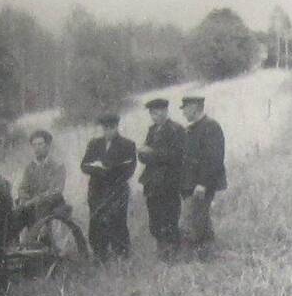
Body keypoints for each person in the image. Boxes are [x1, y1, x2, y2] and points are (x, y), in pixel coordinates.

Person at [80, 113, 137, 261]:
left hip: (117, 191)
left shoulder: (127, 144)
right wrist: (98, 169)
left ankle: (122, 255)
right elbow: (84, 165)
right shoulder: (94, 144)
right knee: (96, 223)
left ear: (116, 127)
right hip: (96, 191)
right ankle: (100, 255)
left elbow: (129, 170)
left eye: (111, 128)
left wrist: (110, 172)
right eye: (105, 128)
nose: (108, 132)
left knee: (118, 222)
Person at [137, 97, 185, 261]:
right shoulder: (152, 130)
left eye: (157, 112)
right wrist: (145, 153)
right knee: (155, 217)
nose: (154, 116)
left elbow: (177, 156)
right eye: (152, 113)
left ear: (165, 111)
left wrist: (152, 153)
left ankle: (174, 251)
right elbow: (143, 154)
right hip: (152, 182)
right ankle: (162, 249)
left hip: (168, 182)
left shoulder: (176, 130)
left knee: (170, 216)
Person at [179, 95, 227, 255]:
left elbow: (214, 159)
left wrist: (203, 184)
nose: (183, 112)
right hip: (190, 185)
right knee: (201, 220)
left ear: (194, 107)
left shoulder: (211, 127)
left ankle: (194, 258)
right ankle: (207, 256)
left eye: (185, 108)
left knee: (190, 222)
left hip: (201, 186)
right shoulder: (192, 128)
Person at [13, 130, 67, 237]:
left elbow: (55, 191)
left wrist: (34, 200)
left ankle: (38, 239)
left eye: (40, 144)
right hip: (31, 204)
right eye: (34, 145)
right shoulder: (30, 167)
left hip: (51, 204)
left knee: (40, 207)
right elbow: (23, 187)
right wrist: (23, 198)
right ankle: (15, 243)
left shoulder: (57, 166)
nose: (37, 148)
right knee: (15, 212)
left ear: (47, 146)